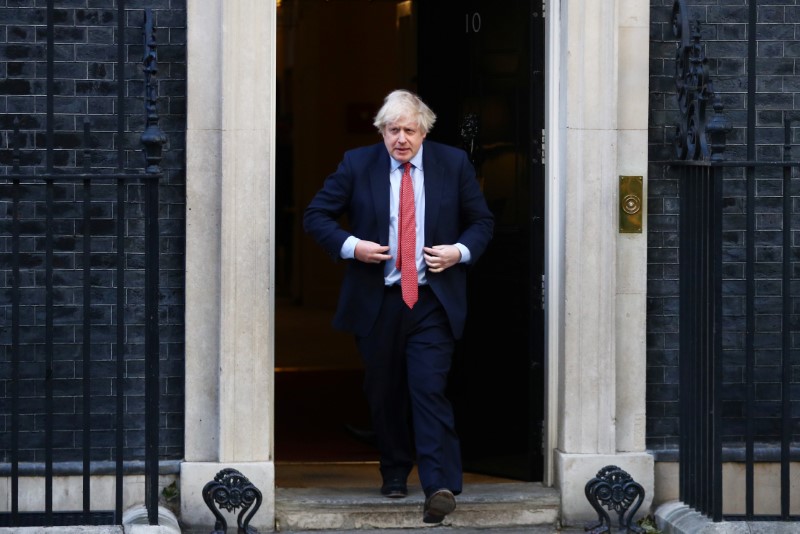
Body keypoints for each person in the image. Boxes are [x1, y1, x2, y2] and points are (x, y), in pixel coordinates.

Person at [303, 89, 493, 524]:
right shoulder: (357, 164)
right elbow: (317, 215)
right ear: (382, 132)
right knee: (383, 390)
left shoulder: (452, 163)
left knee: (427, 388)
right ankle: (393, 469)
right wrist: (353, 247)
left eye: (409, 130)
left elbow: (481, 221)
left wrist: (459, 252)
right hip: (378, 300)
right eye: (393, 130)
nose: (401, 139)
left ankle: (439, 486)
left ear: (424, 131)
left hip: (431, 300)